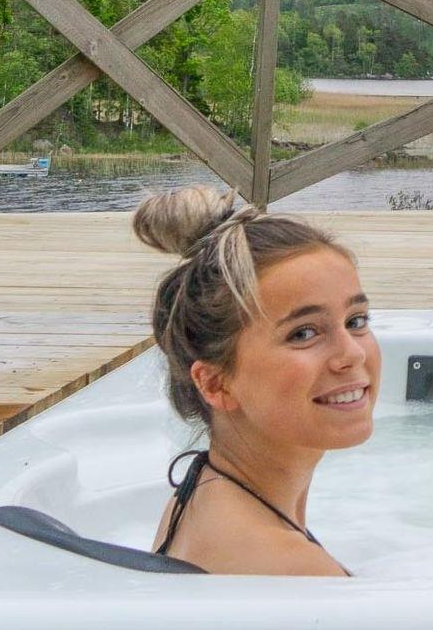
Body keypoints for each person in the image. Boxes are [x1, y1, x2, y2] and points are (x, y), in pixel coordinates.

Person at [135, 186, 379, 575]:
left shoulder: (203, 494)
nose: (353, 354)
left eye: (356, 321)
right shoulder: (290, 568)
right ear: (215, 384)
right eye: (303, 333)